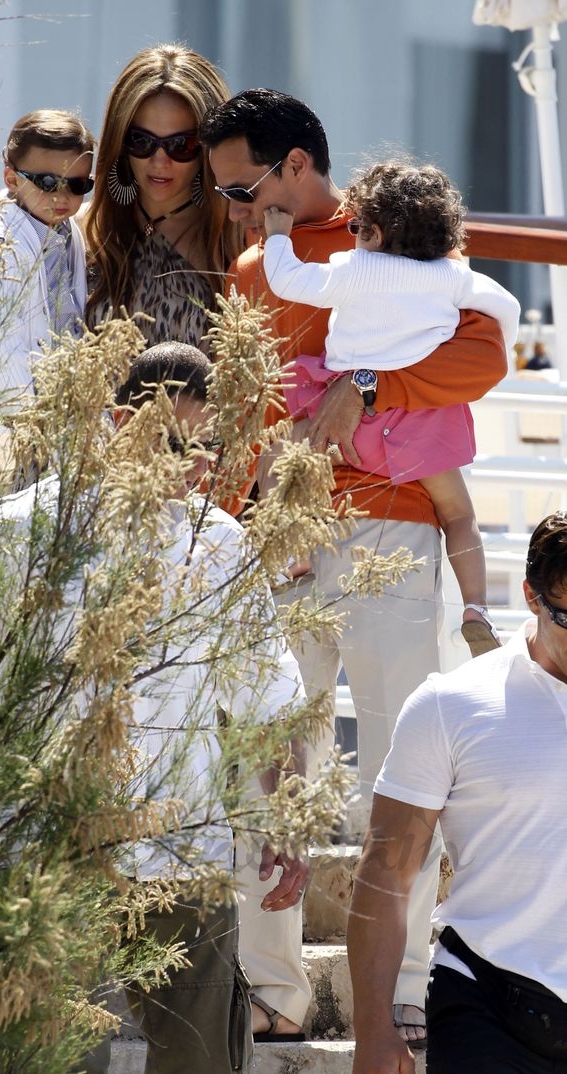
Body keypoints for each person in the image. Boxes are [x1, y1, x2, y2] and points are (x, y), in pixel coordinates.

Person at [199, 88, 508, 1047]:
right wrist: (237, 531)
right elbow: (244, 416)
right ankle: (276, 988)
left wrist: (366, 388)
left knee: (399, 776)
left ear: (298, 166)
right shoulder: (257, 271)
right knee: (266, 771)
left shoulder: (412, 256)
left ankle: (405, 986)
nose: (238, 209)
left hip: (398, 541)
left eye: (244, 186)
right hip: (285, 544)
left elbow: (485, 358)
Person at [0, 340, 309, 1074]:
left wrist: (287, 818)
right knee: (45, 1059)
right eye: (174, 443)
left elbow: (266, 697)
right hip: (49, 853)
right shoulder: (26, 531)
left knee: (201, 1062)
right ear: (115, 422)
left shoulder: (221, 543)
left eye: (207, 448)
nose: (193, 467)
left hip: (182, 853)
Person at [262, 160, 521, 657]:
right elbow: (504, 308)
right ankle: (476, 606)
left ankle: (295, 556)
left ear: (374, 232)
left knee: (277, 458)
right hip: (414, 421)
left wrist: (278, 235)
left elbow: (289, 281)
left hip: (335, 408)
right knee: (459, 514)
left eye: (357, 226)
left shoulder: (356, 267)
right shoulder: (453, 279)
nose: (352, 235)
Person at [348, 510, 567, 1074]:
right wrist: (373, 1031)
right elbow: (387, 872)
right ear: (532, 596)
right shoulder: (453, 704)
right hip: (487, 1000)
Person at [83, 44, 241, 351]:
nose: (159, 161)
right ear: (119, 141)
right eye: (141, 141)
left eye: (181, 145)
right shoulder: (79, 235)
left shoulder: (239, 242)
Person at [0, 109, 94, 412]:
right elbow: (0, 341)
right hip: (24, 411)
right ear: (12, 179)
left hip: (67, 402)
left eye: (77, 185)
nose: (63, 197)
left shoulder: (66, 229)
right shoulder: (1, 244)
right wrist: (29, 419)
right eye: (47, 182)